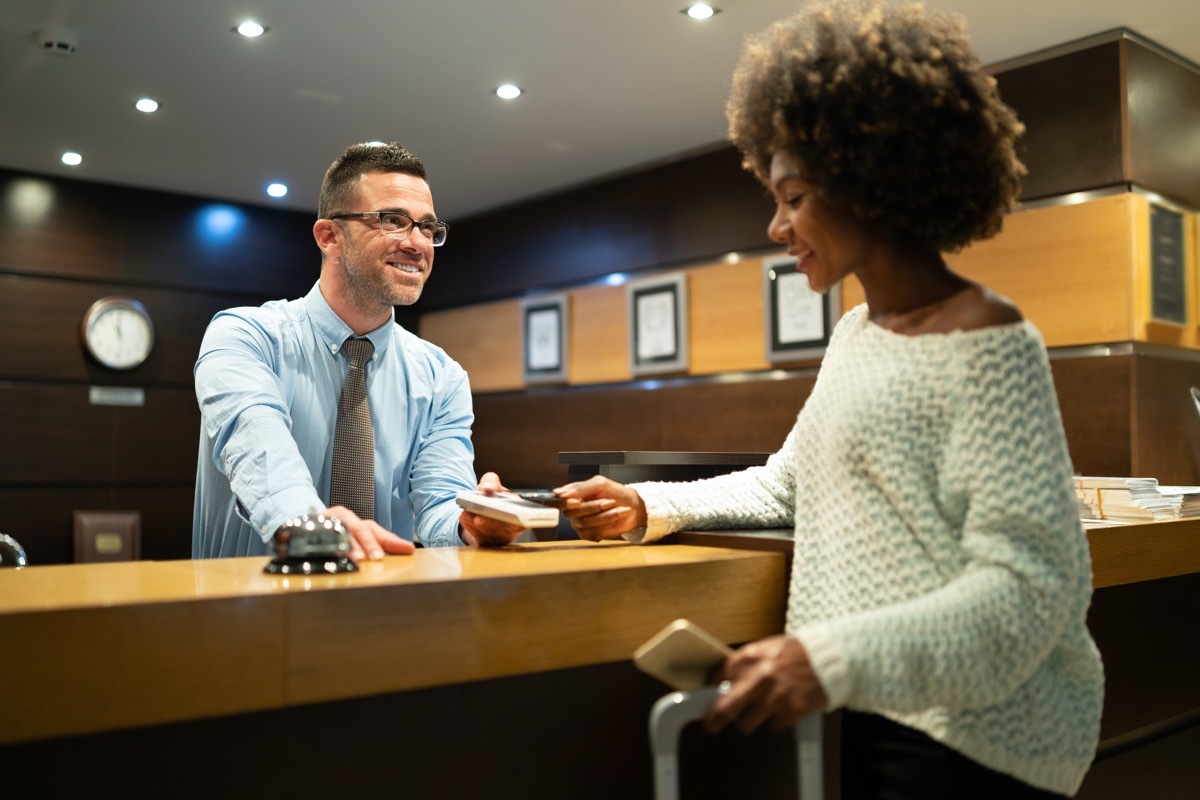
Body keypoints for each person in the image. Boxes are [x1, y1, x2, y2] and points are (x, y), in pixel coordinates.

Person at [556, 2, 1104, 797]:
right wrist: (644, 504)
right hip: (879, 710)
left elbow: (1028, 595)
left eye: (795, 195)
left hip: (978, 744)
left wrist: (826, 658)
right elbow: (786, 483)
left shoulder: (990, 338)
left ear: (873, 178)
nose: (776, 225)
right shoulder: (856, 333)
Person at [193, 142, 524, 560]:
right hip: (249, 612)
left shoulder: (442, 376)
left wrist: (471, 524)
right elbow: (259, 453)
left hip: (382, 613)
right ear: (329, 236)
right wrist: (315, 527)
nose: (417, 243)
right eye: (393, 221)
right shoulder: (245, 336)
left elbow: (440, 504)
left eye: (427, 227)